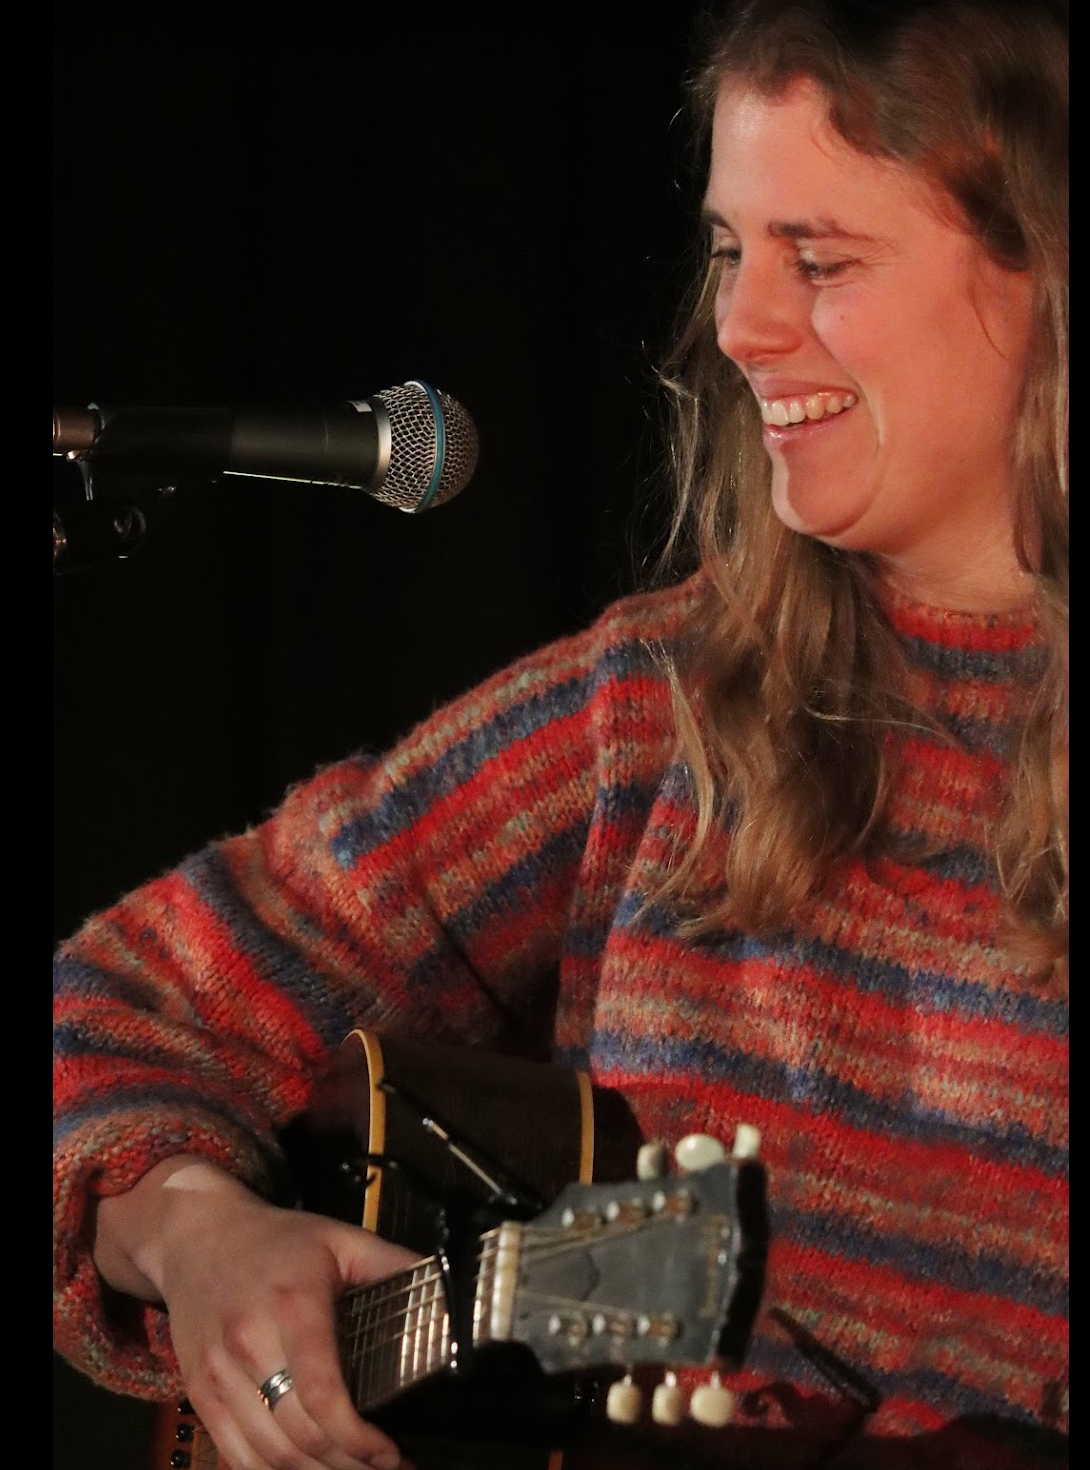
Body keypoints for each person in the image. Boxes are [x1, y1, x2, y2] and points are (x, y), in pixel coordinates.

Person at [53, 2, 1069, 1467]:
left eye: (819, 261)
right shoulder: (659, 702)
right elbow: (115, 1001)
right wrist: (193, 1230)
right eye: (728, 252)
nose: (739, 327)